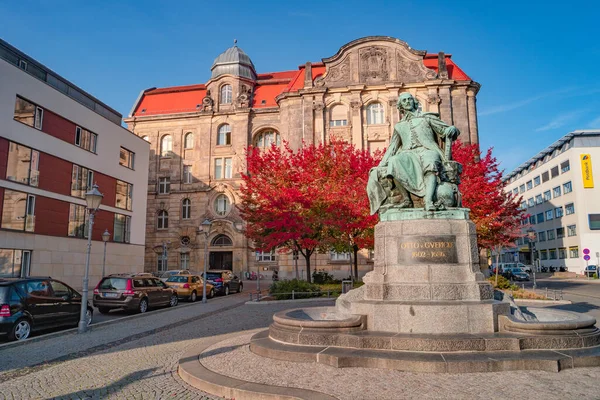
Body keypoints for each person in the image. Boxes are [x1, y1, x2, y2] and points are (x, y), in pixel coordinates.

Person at [367, 93, 460, 213]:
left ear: (414, 102)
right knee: (394, 161)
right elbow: (392, 148)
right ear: (400, 105)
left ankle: (428, 201)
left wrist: (452, 129)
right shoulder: (399, 126)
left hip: (428, 150)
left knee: (430, 162)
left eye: (409, 99)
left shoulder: (427, 117)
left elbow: (445, 130)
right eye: (404, 100)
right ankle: (406, 200)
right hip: (408, 153)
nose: (407, 102)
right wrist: (380, 165)